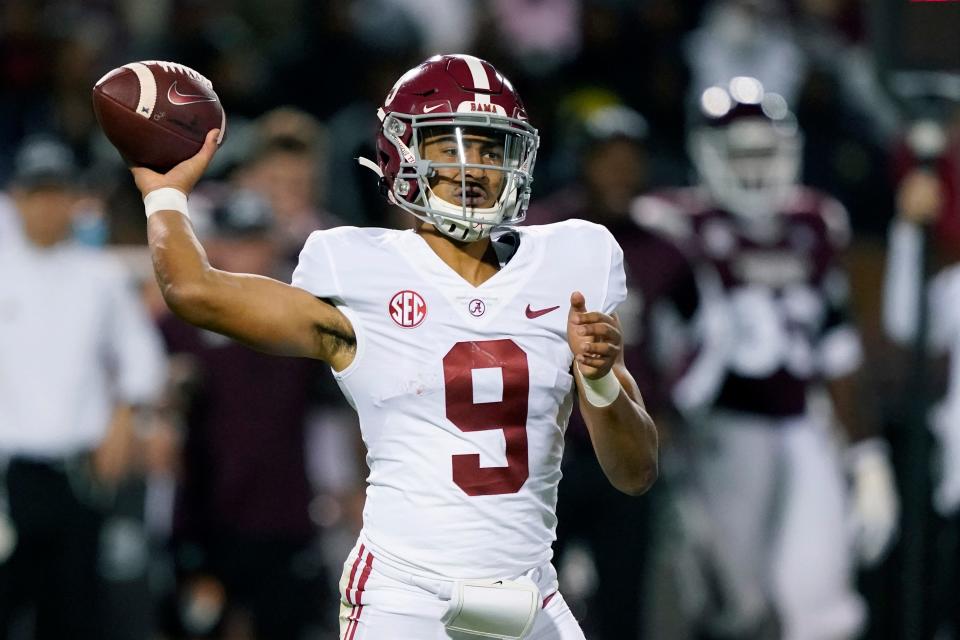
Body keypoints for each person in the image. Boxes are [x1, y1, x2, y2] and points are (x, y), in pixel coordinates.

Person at [127, 54, 658, 639]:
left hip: (531, 593)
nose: (471, 167)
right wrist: (164, 194)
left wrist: (602, 378)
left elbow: (635, 473)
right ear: (399, 154)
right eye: (449, 146)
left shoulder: (570, 262)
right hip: (407, 597)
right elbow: (194, 290)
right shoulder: (360, 271)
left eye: (488, 148)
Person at [633, 77, 899, 640]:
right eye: (741, 152)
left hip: (803, 424)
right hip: (713, 433)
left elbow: (838, 347)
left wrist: (867, 455)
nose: (755, 166)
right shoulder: (672, 224)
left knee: (821, 600)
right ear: (705, 154)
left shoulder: (814, 222)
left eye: (766, 151)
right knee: (730, 600)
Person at [0, 136, 167, 639]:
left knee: (73, 612)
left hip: (81, 474)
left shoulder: (101, 276)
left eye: (56, 193)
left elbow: (144, 360)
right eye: (36, 193)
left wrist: (124, 417)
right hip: (9, 478)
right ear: (16, 198)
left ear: (74, 199)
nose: (47, 206)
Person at [156, 190, 332, 638]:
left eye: (255, 240)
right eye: (237, 241)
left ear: (272, 246)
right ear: (216, 247)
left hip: (285, 512)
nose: (247, 253)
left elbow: (332, 413)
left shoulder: (304, 318)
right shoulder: (179, 323)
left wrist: (341, 488)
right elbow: (147, 400)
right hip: (203, 516)